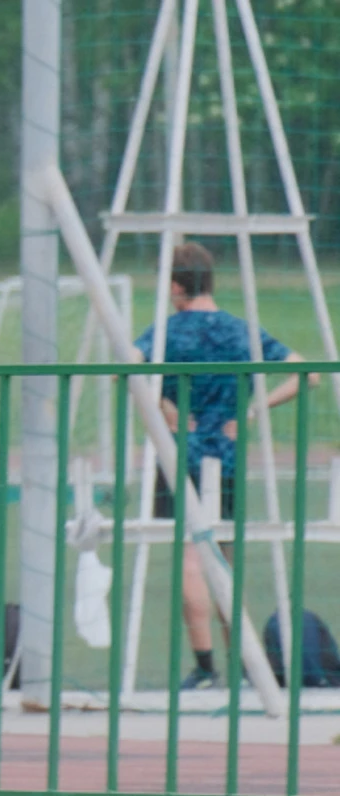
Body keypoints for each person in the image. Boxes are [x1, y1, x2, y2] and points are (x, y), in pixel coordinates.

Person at [134, 241, 321, 690]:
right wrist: (256, 407)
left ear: (177, 285)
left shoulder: (166, 333)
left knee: (191, 558)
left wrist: (162, 402)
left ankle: (204, 666)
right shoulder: (241, 331)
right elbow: (306, 372)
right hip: (229, 456)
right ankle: (244, 661)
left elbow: (128, 367)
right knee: (225, 560)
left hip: (182, 454)